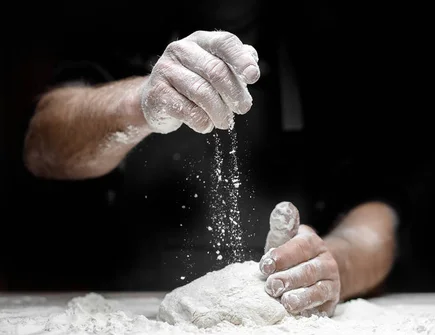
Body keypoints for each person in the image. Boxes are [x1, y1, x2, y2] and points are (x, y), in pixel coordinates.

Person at [21, 5, 401, 316]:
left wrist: (330, 266)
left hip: (286, 325)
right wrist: (138, 102)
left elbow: (377, 211)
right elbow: (42, 146)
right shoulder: (114, 22)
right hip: (125, 319)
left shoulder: (330, 44)